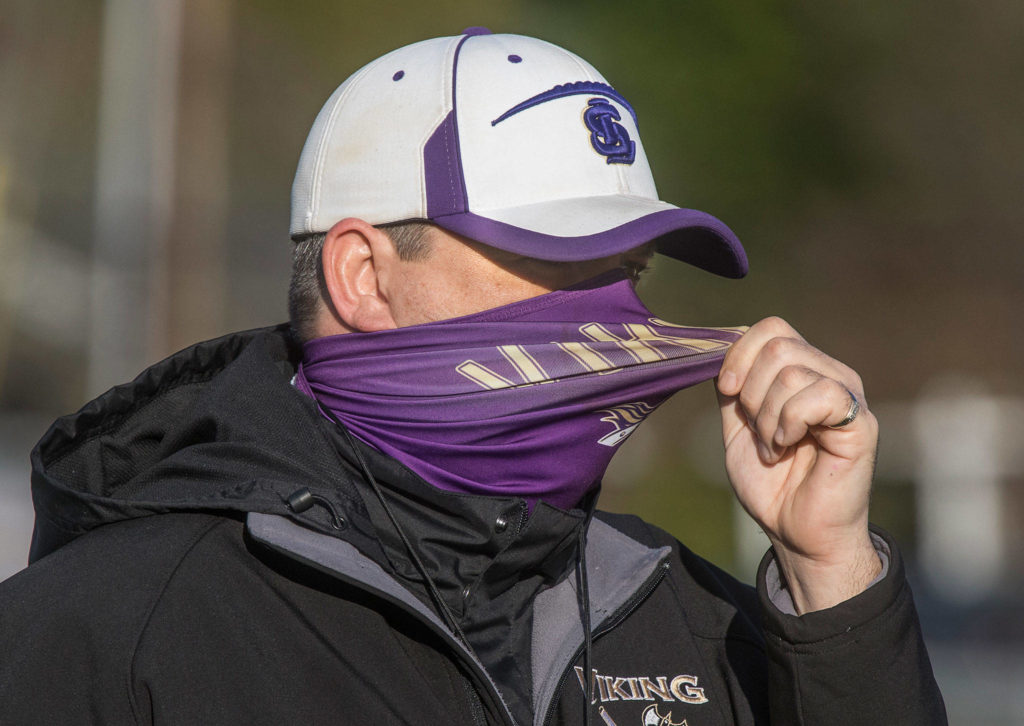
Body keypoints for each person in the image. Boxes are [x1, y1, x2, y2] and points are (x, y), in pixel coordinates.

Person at [0, 29, 945, 725]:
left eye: (630, 271)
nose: (614, 311)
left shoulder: (687, 616)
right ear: (362, 276)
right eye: (558, 259)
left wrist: (833, 583)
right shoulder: (109, 629)